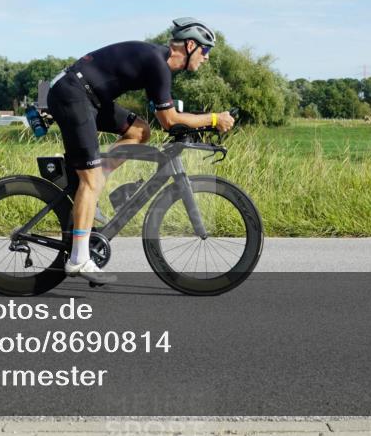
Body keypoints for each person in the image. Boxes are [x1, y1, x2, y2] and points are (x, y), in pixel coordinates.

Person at [46, 17, 236, 282]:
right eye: (205, 51)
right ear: (191, 45)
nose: (206, 58)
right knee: (90, 183)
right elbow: (169, 120)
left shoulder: (158, 62)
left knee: (139, 131)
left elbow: (164, 118)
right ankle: (79, 259)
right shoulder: (158, 64)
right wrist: (214, 119)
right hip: (73, 94)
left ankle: (93, 180)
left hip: (88, 96)